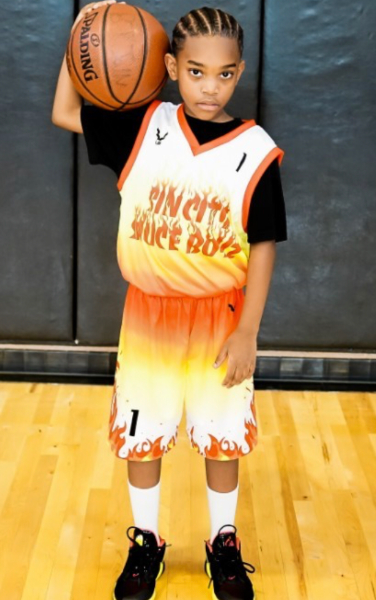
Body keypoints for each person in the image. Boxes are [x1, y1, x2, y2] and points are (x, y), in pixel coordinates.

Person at [52, 3, 287, 599]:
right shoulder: (142, 127)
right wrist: (81, 38)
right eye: (197, 72)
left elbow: (263, 244)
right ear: (172, 68)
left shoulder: (256, 150)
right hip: (148, 315)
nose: (211, 87)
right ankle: (147, 543)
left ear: (239, 72)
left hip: (221, 318)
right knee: (143, 434)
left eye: (225, 74)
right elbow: (64, 112)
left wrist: (249, 330)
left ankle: (223, 543)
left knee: (221, 438)